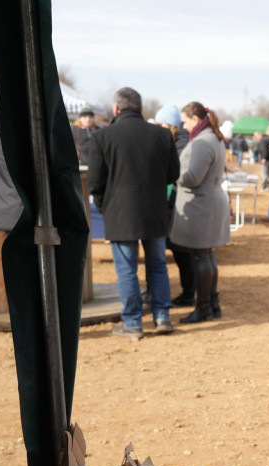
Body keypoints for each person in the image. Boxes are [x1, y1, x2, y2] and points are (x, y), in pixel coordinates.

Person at [88, 87, 180, 339]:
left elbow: (94, 182)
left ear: (116, 108)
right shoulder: (162, 135)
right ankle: (162, 317)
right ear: (140, 108)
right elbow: (173, 174)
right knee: (157, 266)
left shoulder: (102, 136)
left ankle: (132, 322)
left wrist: (104, 206)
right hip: (155, 210)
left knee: (127, 270)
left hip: (120, 212)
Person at [172, 102, 230, 324]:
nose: (184, 127)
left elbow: (192, 178)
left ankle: (204, 308)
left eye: (185, 122)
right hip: (209, 202)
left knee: (201, 257)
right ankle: (212, 304)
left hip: (201, 205)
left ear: (195, 119)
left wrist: (172, 173)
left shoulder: (202, 142)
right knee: (207, 255)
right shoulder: (213, 137)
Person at [153, 104, 195, 308]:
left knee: (183, 252)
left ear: (171, 125)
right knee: (180, 252)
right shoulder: (177, 140)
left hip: (179, 204)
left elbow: (174, 171)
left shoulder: (182, 144)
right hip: (174, 203)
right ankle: (188, 291)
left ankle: (189, 293)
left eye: (161, 124)